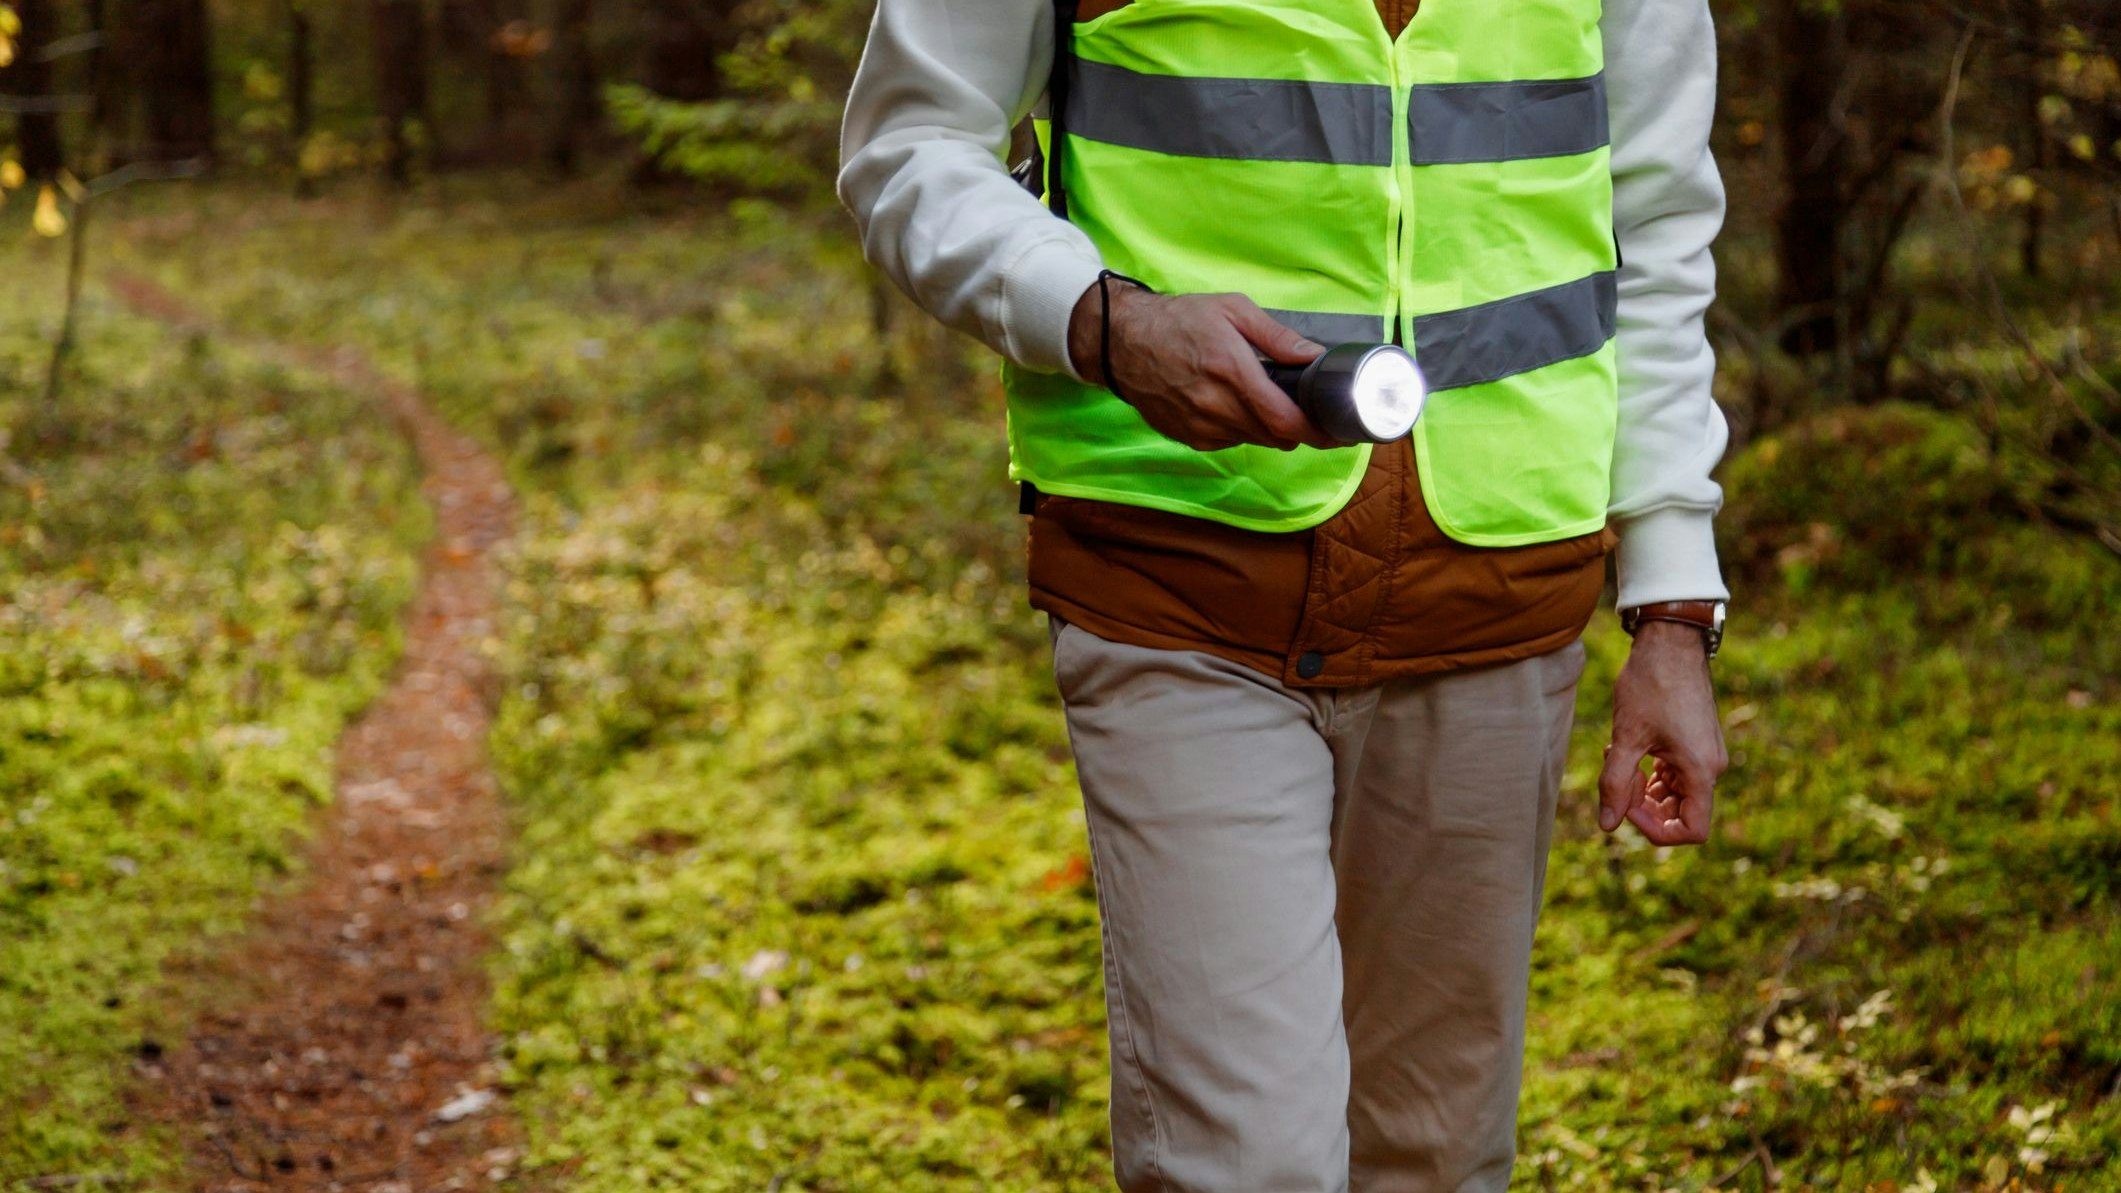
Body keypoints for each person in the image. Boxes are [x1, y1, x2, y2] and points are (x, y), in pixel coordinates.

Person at [838, 0, 1731, 1187]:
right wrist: (1107, 321)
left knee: (1437, 1153)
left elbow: (1659, 230)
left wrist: (1672, 603)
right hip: (1182, 593)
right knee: (1244, 1161)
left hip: (1497, 605)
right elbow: (909, 144)